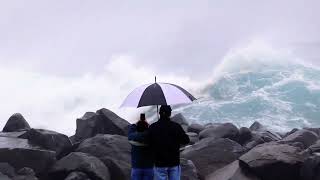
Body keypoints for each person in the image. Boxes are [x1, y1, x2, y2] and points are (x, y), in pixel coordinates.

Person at [148, 105, 190, 180]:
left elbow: (147, 143)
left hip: (159, 162)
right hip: (174, 161)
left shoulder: (152, 127)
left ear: (159, 113)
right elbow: (186, 140)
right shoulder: (176, 126)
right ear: (170, 114)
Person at [128, 113, 154, 180]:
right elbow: (152, 131)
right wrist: (149, 125)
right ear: (147, 127)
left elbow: (131, 130)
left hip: (136, 167)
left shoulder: (132, 138)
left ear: (137, 128)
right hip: (149, 168)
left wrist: (138, 123)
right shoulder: (151, 138)